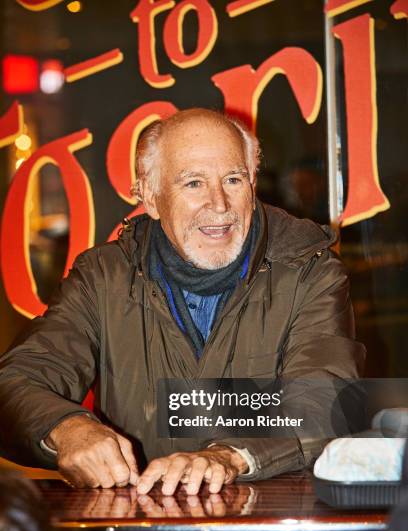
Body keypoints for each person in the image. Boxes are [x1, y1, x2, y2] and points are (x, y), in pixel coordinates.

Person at [0, 108, 365, 494]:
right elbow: (16, 383)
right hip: (142, 525)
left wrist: (228, 456)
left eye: (233, 179)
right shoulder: (101, 278)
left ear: (253, 182)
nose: (219, 204)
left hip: (270, 526)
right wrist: (66, 428)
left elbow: (325, 403)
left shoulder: (310, 271)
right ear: (150, 198)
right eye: (193, 183)